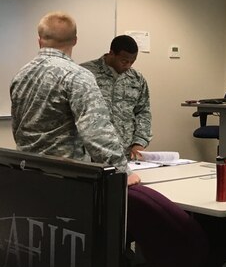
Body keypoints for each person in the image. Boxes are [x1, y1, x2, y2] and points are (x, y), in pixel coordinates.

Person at [10, 11, 140, 186]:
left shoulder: (22, 75)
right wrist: (123, 170)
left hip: (26, 171)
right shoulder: (77, 76)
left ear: (39, 40)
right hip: (64, 177)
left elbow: (18, 126)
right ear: (75, 40)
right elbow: (96, 131)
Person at [82, 35, 152, 160]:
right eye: (124, 61)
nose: (128, 65)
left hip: (124, 152)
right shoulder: (85, 73)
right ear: (111, 53)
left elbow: (143, 112)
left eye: (132, 61)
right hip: (91, 152)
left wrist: (139, 142)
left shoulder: (136, 79)